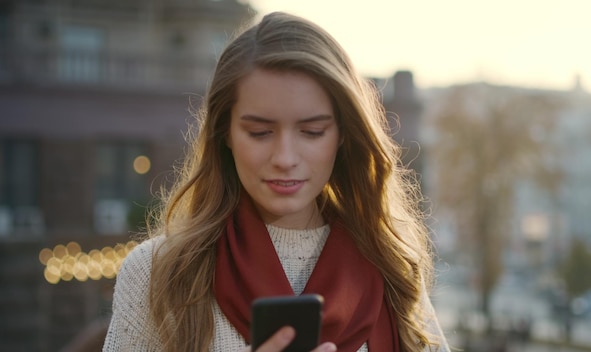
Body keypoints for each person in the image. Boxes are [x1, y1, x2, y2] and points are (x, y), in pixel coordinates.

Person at [103, 11, 450, 352]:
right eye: (260, 132)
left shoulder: (390, 266)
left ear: (344, 134)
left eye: (312, 132)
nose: (284, 158)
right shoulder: (158, 273)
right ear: (224, 132)